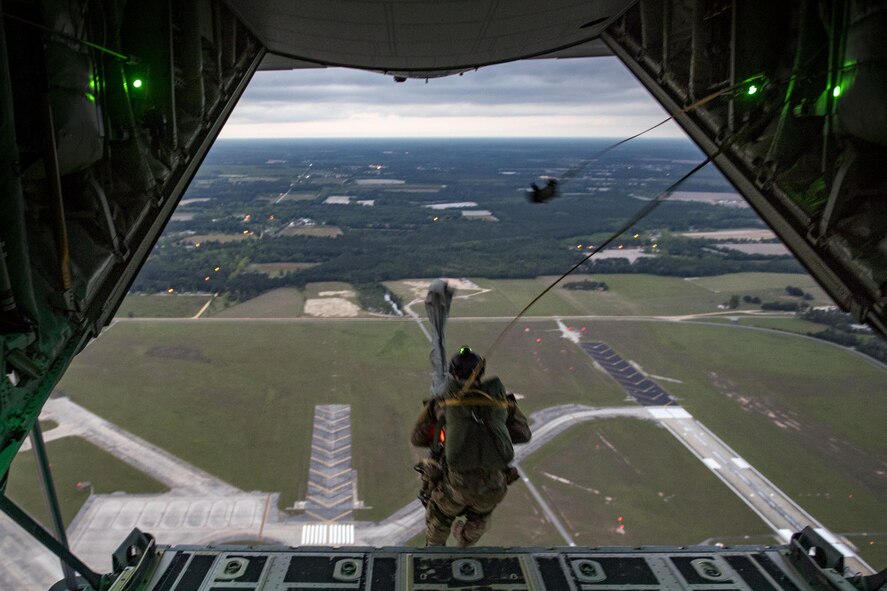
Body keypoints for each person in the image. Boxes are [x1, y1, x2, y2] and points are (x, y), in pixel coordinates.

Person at [411, 346, 531, 547]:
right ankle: (466, 539)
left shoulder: (443, 403)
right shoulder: (502, 404)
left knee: (438, 519)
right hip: (492, 486)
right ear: (481, 373)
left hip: (456, 485)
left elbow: (418, 438)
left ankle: (434, 554)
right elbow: (523, 434)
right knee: (481, 515)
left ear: (453, 373)